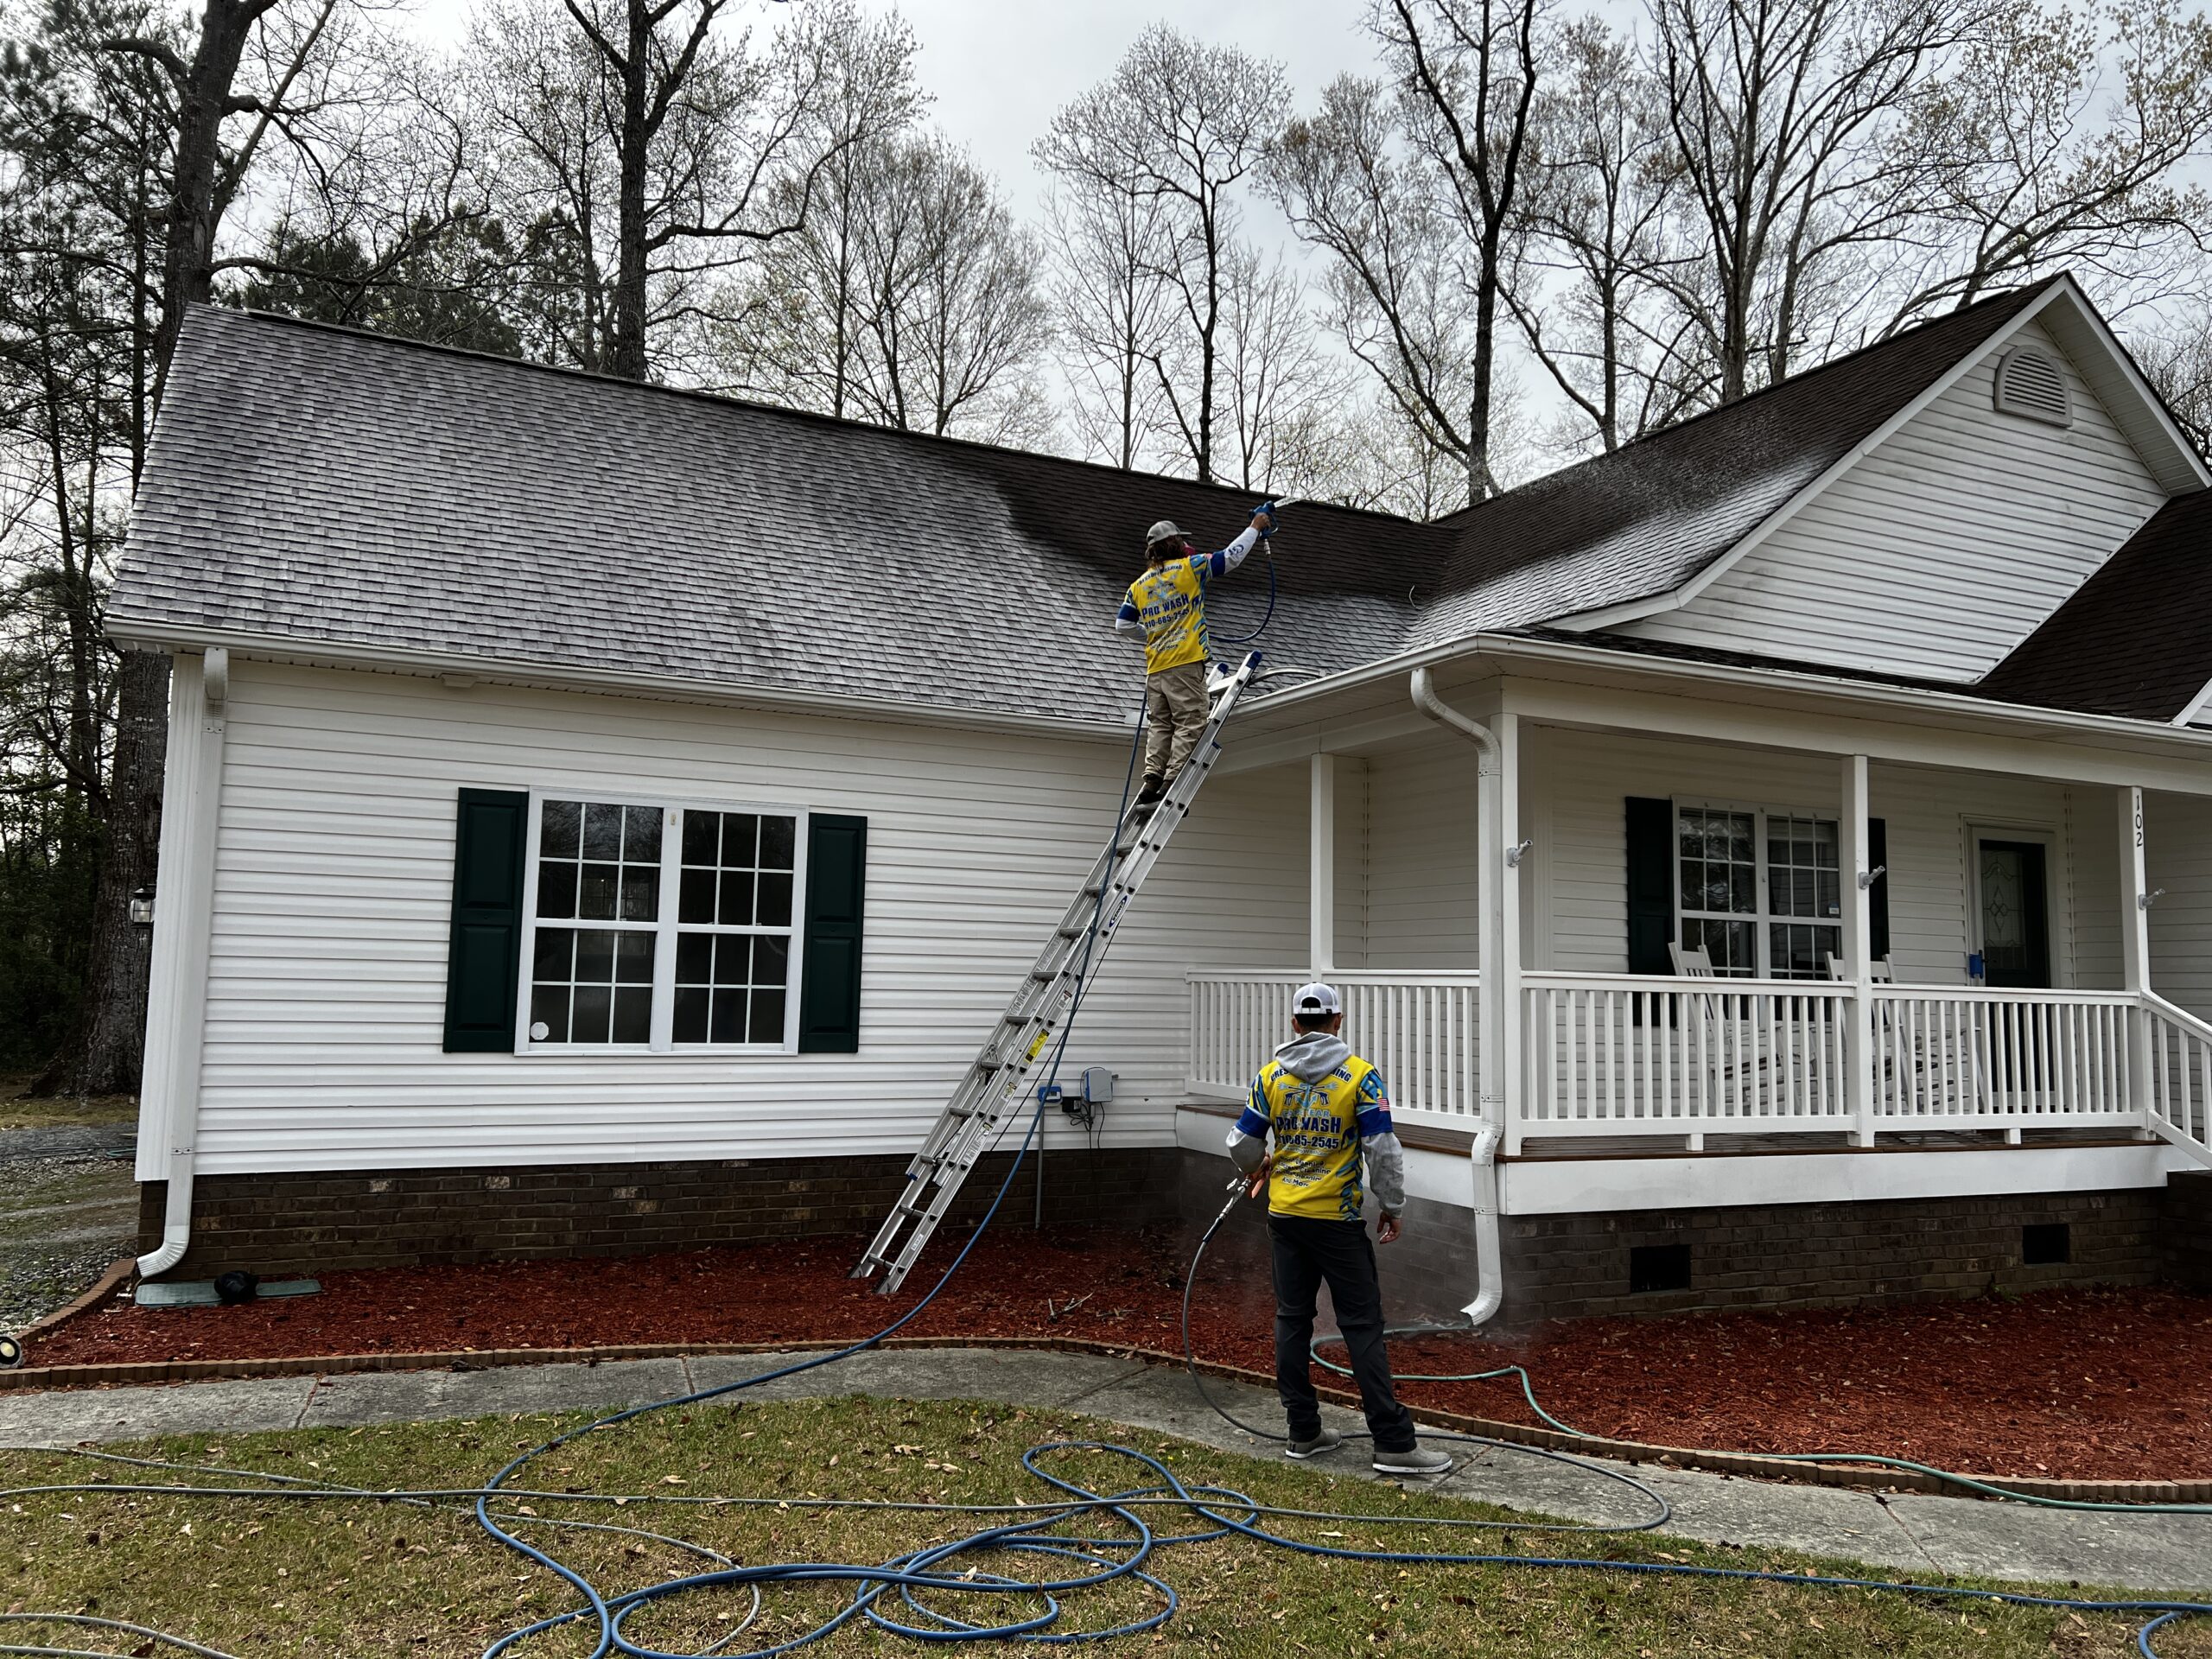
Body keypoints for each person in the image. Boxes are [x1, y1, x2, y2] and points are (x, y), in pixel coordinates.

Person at [1227, 982, 1456, 1477]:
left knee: (1293, 1319)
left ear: (1294, 1025)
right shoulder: (1361, 1078)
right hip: (1338, 1221)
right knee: (1361, 1326)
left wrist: (1260, 1162)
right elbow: (1383, 1151)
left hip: (1285, 1218)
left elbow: (1240, 1142)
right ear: (1337, 1020)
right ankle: (1393, 1443)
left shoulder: (1270, 1077)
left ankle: (1304, 1432)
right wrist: (1392, 1205)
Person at [1113, 506, 1273, 809]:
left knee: (1161, 724)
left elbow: (1122, 625)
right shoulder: (1190, 568)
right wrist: (1255, 526)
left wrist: (1155, 632)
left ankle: (1151, 780)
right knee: (1191, 720)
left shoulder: (1138, 586)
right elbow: (1231, 557)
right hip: (1185, 664)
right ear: (1175, 543)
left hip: (1155, 668)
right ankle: (1171, 781)